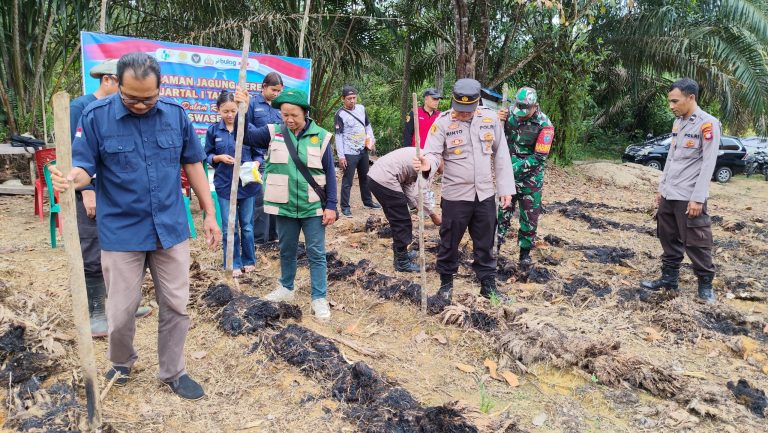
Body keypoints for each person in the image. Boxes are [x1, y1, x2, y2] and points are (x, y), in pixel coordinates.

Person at [50, 52, 221, 400]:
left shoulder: (176, 114)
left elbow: (193, 164)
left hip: (169, 228)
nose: (140, 104)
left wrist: (209, 213)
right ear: (116, 85)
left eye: (148, 98)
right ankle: (121, 363)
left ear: (160, 87)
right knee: (121, 309)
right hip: (122, 230)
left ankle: (174, 370)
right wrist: (71, 178)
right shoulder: (96, 116)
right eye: (131, 98)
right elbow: (84, 166)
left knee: (176, 303)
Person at [69, 59, 151, 338]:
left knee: (128, 252)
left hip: (121, 199)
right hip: (90, 193)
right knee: (93, 250)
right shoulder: (82, 109)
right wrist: (87, 191)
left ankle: (126, 305)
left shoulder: (126, 112)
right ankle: (96, 311)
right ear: (109, 80)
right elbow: (77, 158)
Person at [413, 78, 515, 303]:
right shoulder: (442, 123)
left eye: (469, 110)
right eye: (461, 109)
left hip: (485, 194)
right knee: (449, 241)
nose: (465, 114)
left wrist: (506, 188)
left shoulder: (489, 119)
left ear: (478, 102)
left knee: (486, 241)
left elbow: (501, 154)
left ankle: (488, 286)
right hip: (455, 195)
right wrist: (427, 164)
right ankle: (446, 286)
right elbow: (432, 153)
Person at [245, 89, 338, 320]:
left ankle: (319, 298)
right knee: (286, 249)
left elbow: (330, 173)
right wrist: (242, 109)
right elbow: (245, 136)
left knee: (316, 252)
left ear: (305, 113)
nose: (288, 119)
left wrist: (332, 205)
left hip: (313, 205)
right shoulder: (273, 132)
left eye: (293, 114)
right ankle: (286, 287)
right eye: (284, 114)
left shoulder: (321, 136)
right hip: (283, 204)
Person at [640, 78, 720, 304]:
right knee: (668, 238)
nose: (671, 106)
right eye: (670, 101)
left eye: (675, 101)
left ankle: (705, 285)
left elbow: (708, 163)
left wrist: (698, 197)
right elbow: (672, 158)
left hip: (689, 196)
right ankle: (669, 280)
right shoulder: (678, 123)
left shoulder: (707, 124)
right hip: (669, 193)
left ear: (691, 97)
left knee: (696, 241)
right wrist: (661, 188)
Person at [205, 90, 264, 277]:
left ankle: (249, 260)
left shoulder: (248, 128)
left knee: (246, 225)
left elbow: (259, 154)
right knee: (228, 227)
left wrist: (256, 162)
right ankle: (232, 262)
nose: (230, 115)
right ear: (218, 110)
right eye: (225, 111)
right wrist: (218, 158)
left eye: (233, 111)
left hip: (247, 186)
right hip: (224, 185)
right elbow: (206, 155)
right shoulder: (213, 131)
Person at [496, 87, 555, 270]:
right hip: (508, 179)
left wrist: (511, 169)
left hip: (531, 179)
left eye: (525, 111)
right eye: (518, 109)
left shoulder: (545, 125)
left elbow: (539, 157)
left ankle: (525, 254)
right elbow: (497, 140)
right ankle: (494, 249)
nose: (520, 115)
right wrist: (497, 121)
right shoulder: (510, 117)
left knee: (529, 217)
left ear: (535, 106)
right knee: (501, 214)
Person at [368, 147, 442, 272]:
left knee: (399, 218)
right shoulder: (432, 162)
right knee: (401, 220)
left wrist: (419, 208)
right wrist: (434, 216)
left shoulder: (426, 155)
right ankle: (402, 262)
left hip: (376, 176)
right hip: (384, 178)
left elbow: (410, 188)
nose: (444, 173)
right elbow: (420, 192)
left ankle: (401, 254)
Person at [248, 72, 284, 245]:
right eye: (273, 90)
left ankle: (274, 236)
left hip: (277, 159)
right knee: (260, 200)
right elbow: (246, 131)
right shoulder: (252, 104)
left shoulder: (280, 107)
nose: (276, 94)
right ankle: (259, 240)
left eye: (279, 91)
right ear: (263, 86)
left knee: (276, 197)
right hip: (258, 160)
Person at [334, 85, 380, 218]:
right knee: (347, 180)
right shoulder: (340, 114)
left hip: (362, 149)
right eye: (349, 98)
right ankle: (345, 207)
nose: (352, 101)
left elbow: (367, 125)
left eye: (354, 98)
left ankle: (368, 201)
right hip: (349, 152)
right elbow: (338, 135)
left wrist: (371, 139)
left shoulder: (361, 109)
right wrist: (341, 156)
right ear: (343, 99)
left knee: (365, 177)